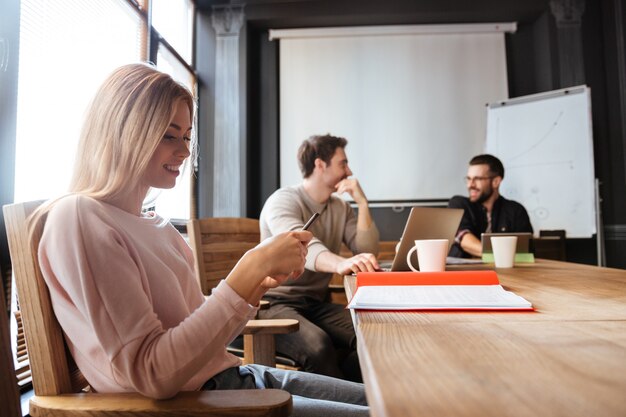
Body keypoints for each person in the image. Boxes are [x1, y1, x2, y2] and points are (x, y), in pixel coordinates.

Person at [31, 63, 368, 416]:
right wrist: (246, 272)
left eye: (187, 137)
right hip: (201, 402)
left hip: (235, 378)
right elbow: (153, 374)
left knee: (397, 400)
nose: (185, 150)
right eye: (169, 135)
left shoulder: (155, 226)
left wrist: (254, 285)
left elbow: (201, 337)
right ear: (123, 132)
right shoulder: (81, 217)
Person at [259, 134, 380, 382]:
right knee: (319, 346)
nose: (349, 171)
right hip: (273, 303)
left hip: (314, 304)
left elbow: (366, 248)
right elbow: (301, 247)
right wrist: (340, 264)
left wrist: (363, 203)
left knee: (375, 333)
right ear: (320, 164)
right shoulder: (282, 201)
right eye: (343, 163)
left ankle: (351, 394)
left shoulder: (340, 207)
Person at [448, 154, 533, 258]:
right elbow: (464, 239)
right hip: (465, 272)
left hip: (507, 272)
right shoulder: (458, 204)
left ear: (496, 182)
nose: (470, 185)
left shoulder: (516, 210)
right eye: (469, 179)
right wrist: (502, 257)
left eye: (477, 179)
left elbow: (526, 253)